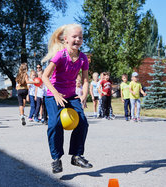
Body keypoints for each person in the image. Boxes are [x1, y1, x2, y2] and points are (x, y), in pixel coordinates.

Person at [42, 23, 93, 174]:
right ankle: (56, 159)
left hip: (71, 95)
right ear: (65, 39)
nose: (78, 39)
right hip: (53, 95)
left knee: (83, 122)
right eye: (74, 37)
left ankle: (76, 156)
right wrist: (56, 94)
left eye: (80, 37)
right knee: (55, 124)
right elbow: (44, 77)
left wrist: (84, 95)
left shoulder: (83, 58)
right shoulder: (60, 56)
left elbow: (85, 80)